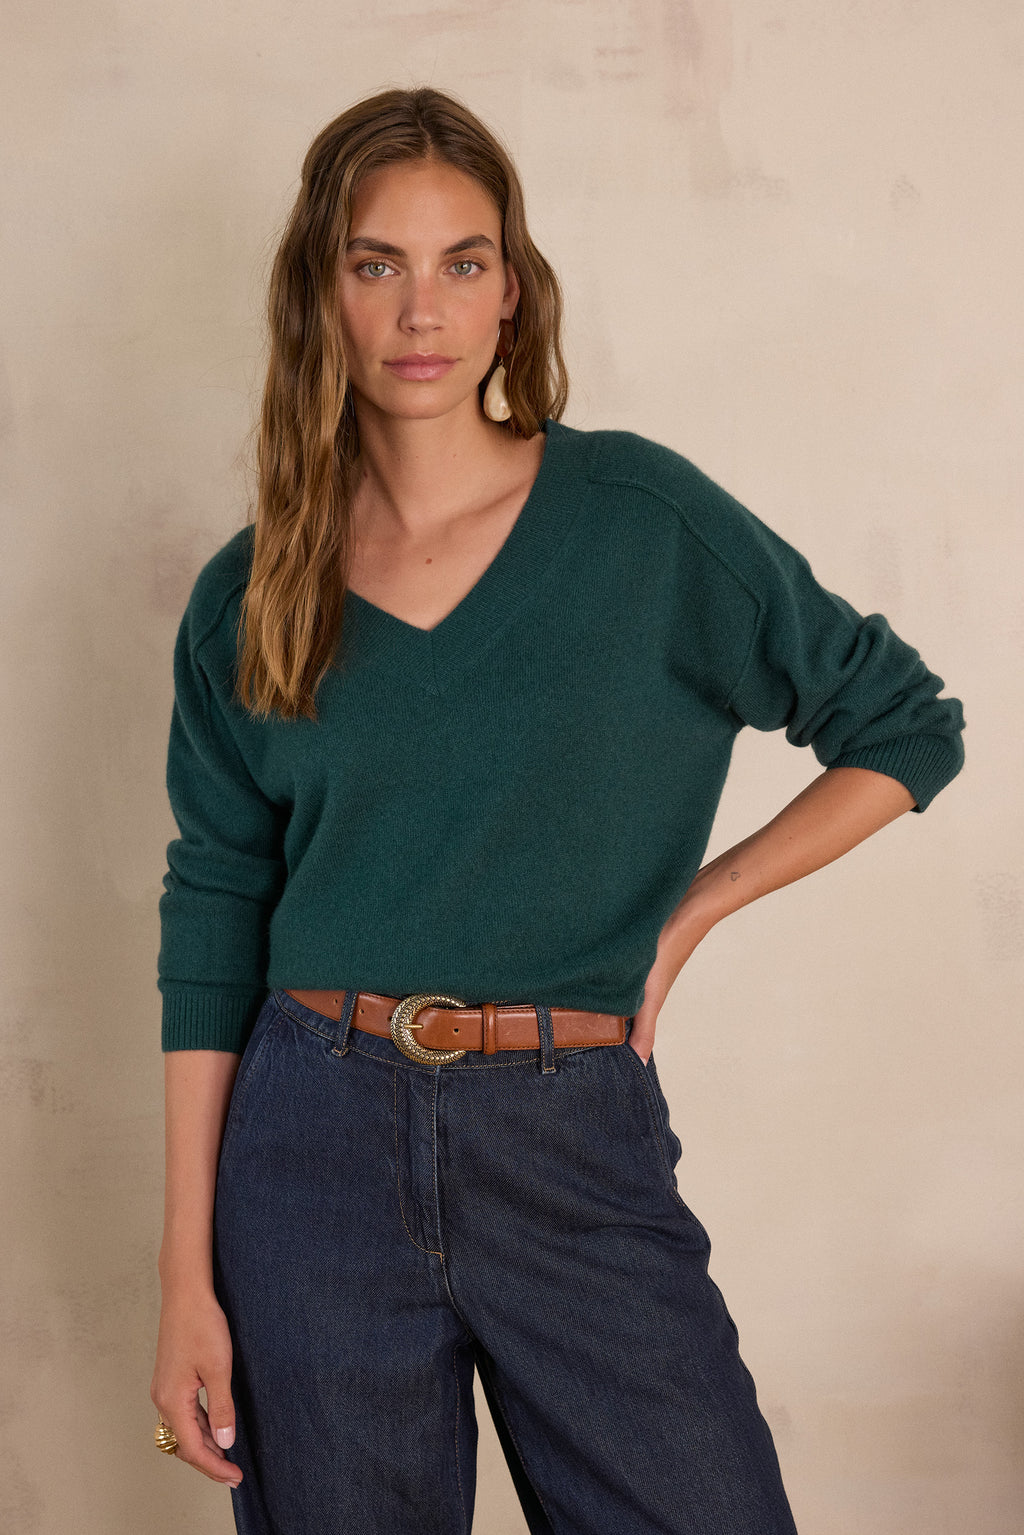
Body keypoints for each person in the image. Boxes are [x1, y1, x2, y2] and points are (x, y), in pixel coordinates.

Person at [149, 85, 965, 1535]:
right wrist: (184, 1276)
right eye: (376, 263)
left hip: (569, 1131)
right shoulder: (250, 592)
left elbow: (905, 726)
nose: (422, 310)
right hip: (308, 1148)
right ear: (320, 293)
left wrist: (689, 914)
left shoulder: (643, 523)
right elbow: (215, 917)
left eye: (462, 262)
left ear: (512, 292)